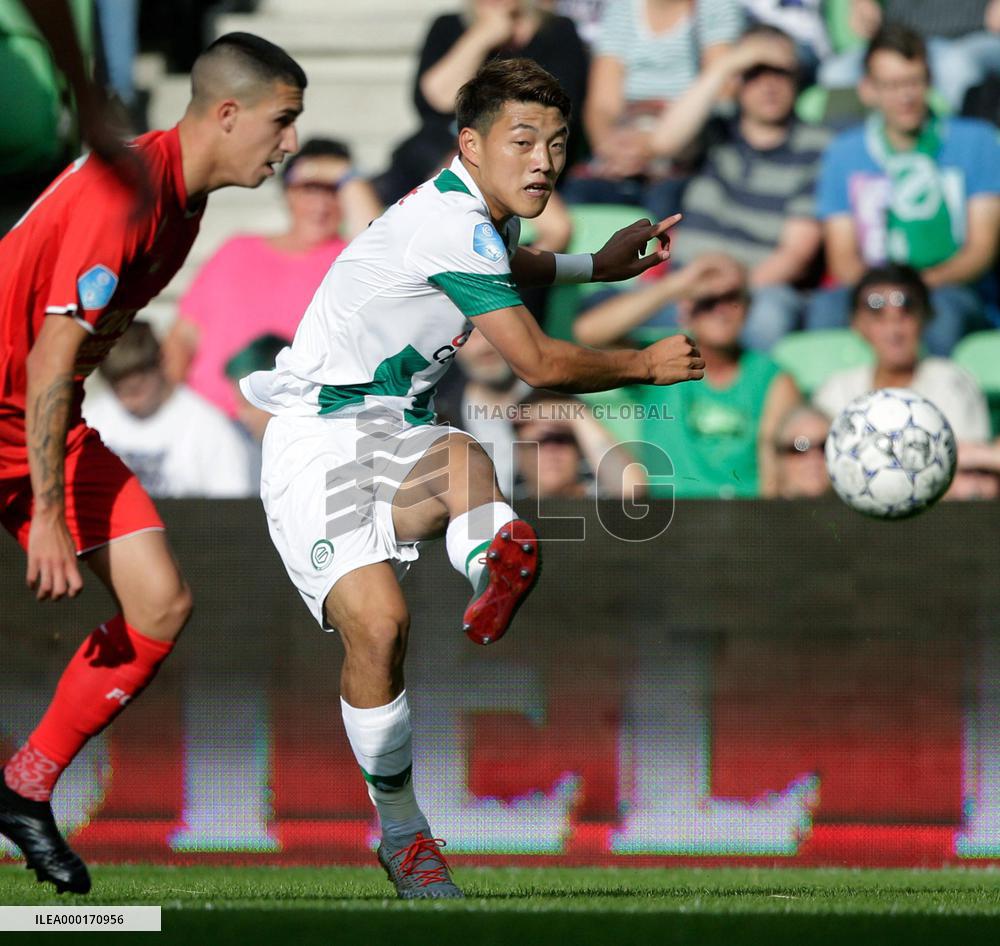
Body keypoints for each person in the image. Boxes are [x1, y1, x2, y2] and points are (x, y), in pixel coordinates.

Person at [239, 58, 703, 899]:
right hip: (314, 438)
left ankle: (494, 562)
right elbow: (539, 363)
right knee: (378, 629)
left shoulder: (480, 216)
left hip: (389, 426)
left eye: (557, 144)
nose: (543, 161)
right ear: (470, 144)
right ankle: (403, 832)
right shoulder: (453, 225)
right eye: (523, 141)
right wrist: (643, 362)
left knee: (463, 457)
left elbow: (506, 267)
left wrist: (594, 267)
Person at [0, 32, 305, 894]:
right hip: (27, 402)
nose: (289, 145)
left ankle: (23, 790)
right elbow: (54, 357)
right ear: (228, 112)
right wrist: (51, 518)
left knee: (160, 605)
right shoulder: (128, 196)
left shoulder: (183, 198)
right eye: (282, 123)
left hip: (37, 420)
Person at [808, 24, 1000, 354]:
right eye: (892, 85)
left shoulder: (976, 141)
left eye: (914, 81)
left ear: (930, 82)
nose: (906, 96)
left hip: (951, 288)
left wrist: (915, 289)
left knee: (940, 320)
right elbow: (842, 259)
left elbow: (981, 249)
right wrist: (885, 296)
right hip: (870, 286)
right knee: (823, 313)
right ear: (868, 90)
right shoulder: (844, 153)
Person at [646, 24, 830, 349]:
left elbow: (796, 255)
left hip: (755, 290)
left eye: (780, 73)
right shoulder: (715, 127)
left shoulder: (816, 147)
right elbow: (662, 143)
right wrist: (728, 64)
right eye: (755, 72)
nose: (769, 85)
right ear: (738, 81)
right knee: (602, 306)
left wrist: (721, 296)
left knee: (769, 318)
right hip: (685, 282)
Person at [162, 137, 375, 418]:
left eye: (333, 190)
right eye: (309, 189)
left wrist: (347, 176)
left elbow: (380, 243)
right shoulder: (236, 249)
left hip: (286, 425)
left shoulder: (350, 260)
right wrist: (169, 414)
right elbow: (182, 338)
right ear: (288, 192)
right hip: (206, 420)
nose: (321, 205)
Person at [574, 253, 800, 497]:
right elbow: (589, 334)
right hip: (672, 519)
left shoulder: (772, 378)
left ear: (748, 308)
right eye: (708, 300)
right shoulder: (658, 360)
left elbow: (772, 481)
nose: (721, 309)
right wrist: (676, 285)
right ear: (685, 310)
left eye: (732, 297)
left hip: (744, 520)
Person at [372, 0, 589, 205]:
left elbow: (561, 111)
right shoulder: (447, 26)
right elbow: (436, 101)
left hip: (522, 153)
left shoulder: (557, 31)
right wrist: (482, 36)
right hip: (441, 149)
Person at [566, 0, 744, 217]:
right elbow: (602, 105)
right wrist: (612, 150)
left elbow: (722, 90)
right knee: (576, 197)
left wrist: (653, 144)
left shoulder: (716, 6)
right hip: (623, 143)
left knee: (665, 207)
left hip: (687, 146)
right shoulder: (622, 7)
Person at [813, 264, 993, 445]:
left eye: (906, 312)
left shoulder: (952, 383)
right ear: (856, 324)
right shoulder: (838, 390)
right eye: (877, 315)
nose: (893, 329)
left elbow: (972, 463)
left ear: (926, 317)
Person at [83, 322, 255, 498]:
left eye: (136, 389)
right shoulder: (90, 421)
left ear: (161, 363)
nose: (128, 403)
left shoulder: (210, 428)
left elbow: (230, 511)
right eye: (117, 392)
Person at [820, 0, 1000, 113]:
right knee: (836, 74)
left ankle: (963, 148)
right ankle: (856, 157)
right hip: (900, 38)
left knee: (955, 66)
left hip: (970, 35)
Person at [511, 394, 647, 498]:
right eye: (540, 442)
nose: (551, 450)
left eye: (561, 439)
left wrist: (577, 415)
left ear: (580, 449)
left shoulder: (601, 500)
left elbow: (632, 490)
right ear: (519, 451)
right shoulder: (505, 512)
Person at [772, 405, 831, 499]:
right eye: (800, 446)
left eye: (823, 447)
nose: (814, 458)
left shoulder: (850, 512)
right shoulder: (759, 513)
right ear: (779, 458)